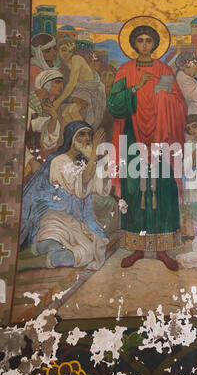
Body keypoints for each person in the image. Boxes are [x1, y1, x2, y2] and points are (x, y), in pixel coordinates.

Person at [107, 19, 187, 271]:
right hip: (132, 136)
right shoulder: (125, 71)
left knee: (162, 189)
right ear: (133, 44)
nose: (144, 45)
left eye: (148, 40)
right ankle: (138, 248)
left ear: (155, 43)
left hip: (161, 137)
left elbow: (177, 103)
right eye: (139, 40)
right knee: (134, 189)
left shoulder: (163, 70)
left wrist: (162, 99)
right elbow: (114, 105)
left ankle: (162, 249)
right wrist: (134, 90)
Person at [18, 121, 111, 272]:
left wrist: (103, 158)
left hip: (74, 220)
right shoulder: (59, 161)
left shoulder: (84, 163)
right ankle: (23, 261)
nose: (87, 138)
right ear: (71, 138)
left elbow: (99, 188)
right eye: (82, 134)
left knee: (85, 253)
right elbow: (80, 184)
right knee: (53, 245)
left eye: (89, 134)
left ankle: (29, 263)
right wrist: (94, 155)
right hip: (53, 216)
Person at [24, 69, 64, 178]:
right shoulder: (26, 104)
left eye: (62, 82)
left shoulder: (48, 107)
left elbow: (48, 143)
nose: (61, 86)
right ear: (46, 84)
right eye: (57, 82)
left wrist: (54, 118)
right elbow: (17, 137)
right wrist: (30, 161)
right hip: (24, 160)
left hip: (40, 158)